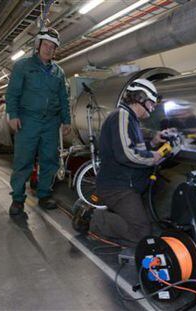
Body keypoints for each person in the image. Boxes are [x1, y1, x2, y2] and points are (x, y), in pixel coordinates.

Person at [78, 79, 169, 247]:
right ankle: (92, 217)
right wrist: (153, 157)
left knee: (161, 192)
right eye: (151, 102)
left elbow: (134, 148)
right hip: (117, 188)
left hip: (129, 184)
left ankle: (126, 215)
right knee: (141, 232)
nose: (153, 107)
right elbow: (126, 154)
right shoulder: (121, 116)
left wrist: (154, 143)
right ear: (140, 98)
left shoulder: (132, 120)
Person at [6, 27, 71, 216]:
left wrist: (66, 120)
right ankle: (17, 199)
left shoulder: (58, 72)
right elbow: (12, 94)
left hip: (51, 123)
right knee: (23, 160)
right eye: (46, 45)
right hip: (28, 120)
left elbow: (63, 98)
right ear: (38, 45)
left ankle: (44, 194)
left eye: (53, 47)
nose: (49, 49)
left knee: (49, 160)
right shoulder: (23, 66)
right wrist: (12, 114)